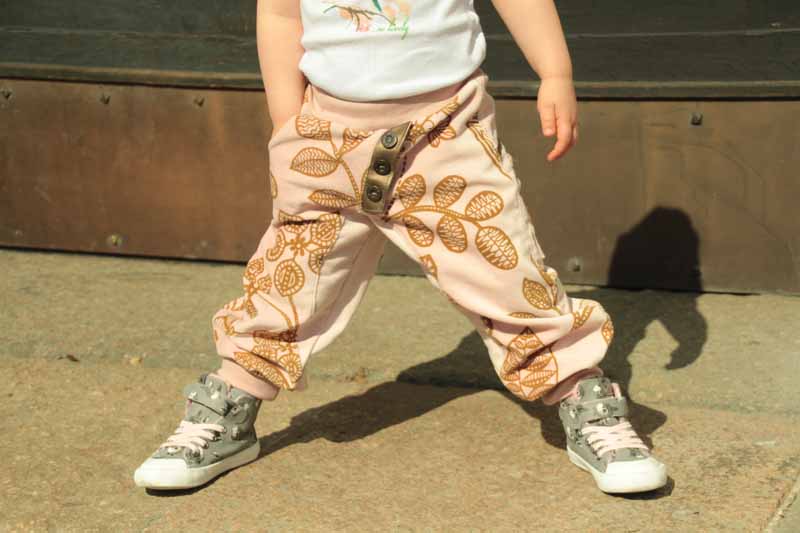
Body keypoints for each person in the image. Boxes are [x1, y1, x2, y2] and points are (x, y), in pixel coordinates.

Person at [134, 0, 667, 494]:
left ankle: (578, 389)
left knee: (506, 273)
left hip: (445, 133)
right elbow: (279, 15)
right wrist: (287, 125)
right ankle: (232, 401)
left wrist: (556, 72)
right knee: (287, 277)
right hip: (326, 136)